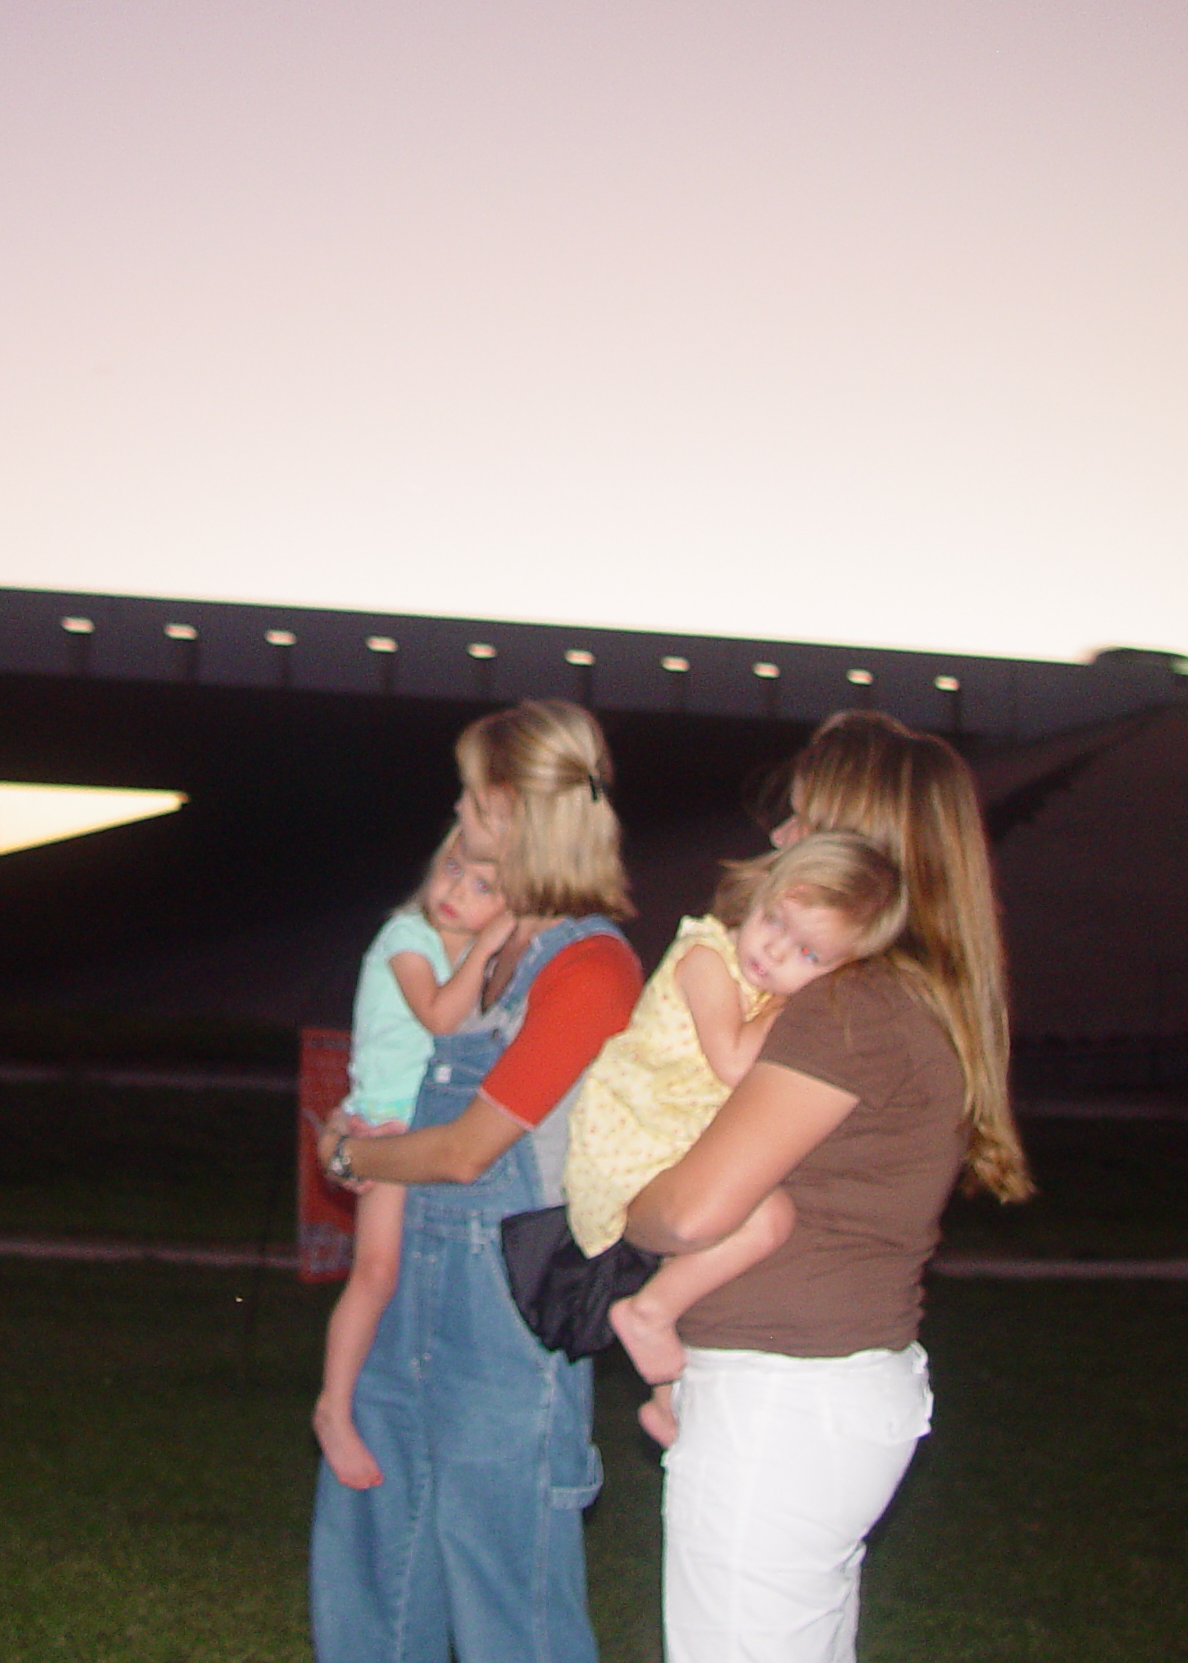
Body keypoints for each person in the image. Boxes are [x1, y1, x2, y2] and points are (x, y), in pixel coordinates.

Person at [620, 710, 1034, 1663]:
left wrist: (616, 1200)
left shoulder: (849, 1007)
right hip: (821, 1394)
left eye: (804, 821)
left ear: (863, 850)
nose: (777, 840)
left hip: (782, 1405)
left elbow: (692, 1209)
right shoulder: (904, 998)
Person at [310, 700, 644, 1663]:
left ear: (508, 809)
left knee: (510, 1597)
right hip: (405, 1293)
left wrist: (349, 1157)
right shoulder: (472, 945)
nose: (455, 809)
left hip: (506, 1321)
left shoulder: (589, 966)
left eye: (470, 793)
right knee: (376, 1564)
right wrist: (362, 1128)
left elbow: (465, 1151)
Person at [508, 833, 904, 1450]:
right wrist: (791, 1007)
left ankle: (666, 1402)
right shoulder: (706, 956)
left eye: (809, 954)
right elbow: (730, 1061)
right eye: (774, 919)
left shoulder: (763, 983)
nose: (773, 950)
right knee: (768, 1218)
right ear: (761, 892)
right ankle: (647, 1313)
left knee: (711, 1238)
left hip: (669, 1143)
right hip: (628, 1139)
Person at [314, 826, 518, 1489]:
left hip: (422, 1125)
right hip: (388, 1128)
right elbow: (438, 1016)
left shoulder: (469, 956)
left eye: (482, 885)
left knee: (402, 1281)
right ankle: (334, 1411)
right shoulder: (407, 938)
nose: (456, 891)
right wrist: (489, 942)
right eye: (452, 870)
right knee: (374, 1274)